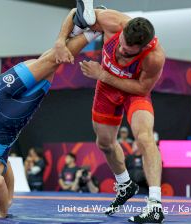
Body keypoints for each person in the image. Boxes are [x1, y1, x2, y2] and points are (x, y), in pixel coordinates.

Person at [0, 31, 94, 218]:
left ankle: (91, 32)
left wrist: (3, 210)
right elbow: (6, 168)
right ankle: (83, 31)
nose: (0, 196)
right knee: (49, 63)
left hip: (4, 116)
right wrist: (11, 197)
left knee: (52, 63)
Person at [55, 1, 165, 222]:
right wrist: (60, 41)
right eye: (121, 44)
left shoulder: (154, 57)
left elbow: (143, 88)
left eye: (128, 51)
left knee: (144, 138)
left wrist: (103, 75)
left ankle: (155, 204)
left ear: (143, 47)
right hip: (106, 89)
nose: (121, 50)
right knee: (104, 143)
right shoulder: (112, 20)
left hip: (134, 91)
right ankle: (125, 185)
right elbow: (75, 13)